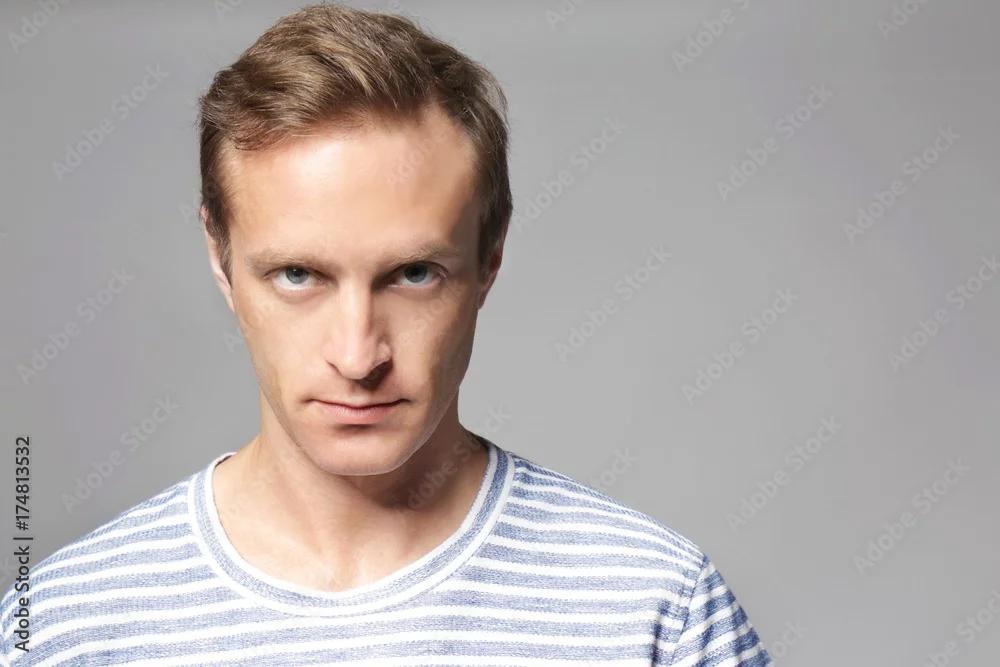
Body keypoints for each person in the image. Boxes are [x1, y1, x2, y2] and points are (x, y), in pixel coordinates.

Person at [0, 3, 773, 664]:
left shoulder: (656, 611)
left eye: (412, 274)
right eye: (298, 274)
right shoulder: (65, 629)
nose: (357, 355)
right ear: (220, 257)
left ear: (490, 257)